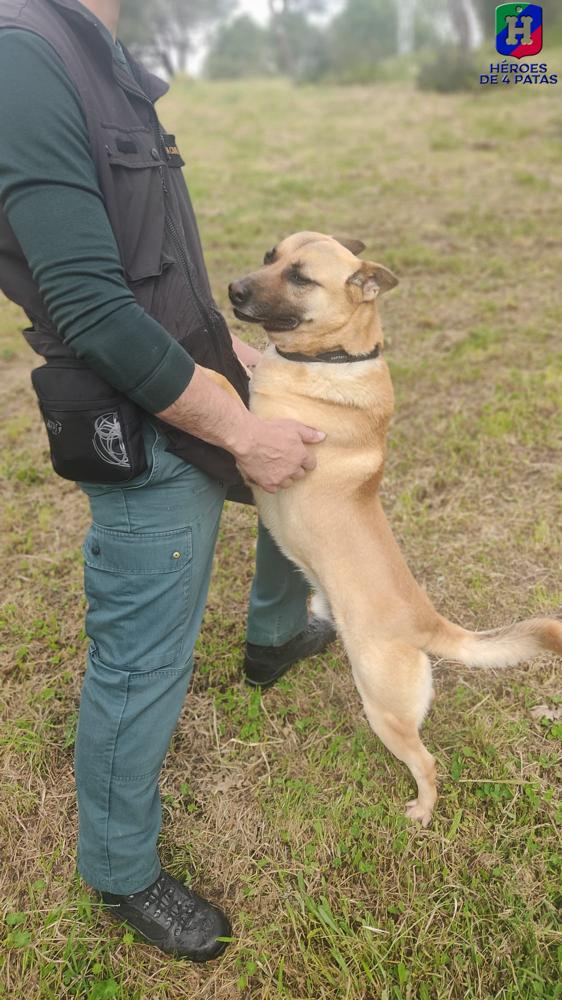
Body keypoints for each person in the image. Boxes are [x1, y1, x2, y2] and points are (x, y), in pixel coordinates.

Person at [0, 0, 335, 962]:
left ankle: (274, 636)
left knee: (299, 479)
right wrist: (240, 430)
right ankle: (119, 870)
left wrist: (236, 356)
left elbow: (157, 267)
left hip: (197, 377)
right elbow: (91, 307)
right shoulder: (24, 56)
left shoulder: (95, 49)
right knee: (142, 660)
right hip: (143, 423)